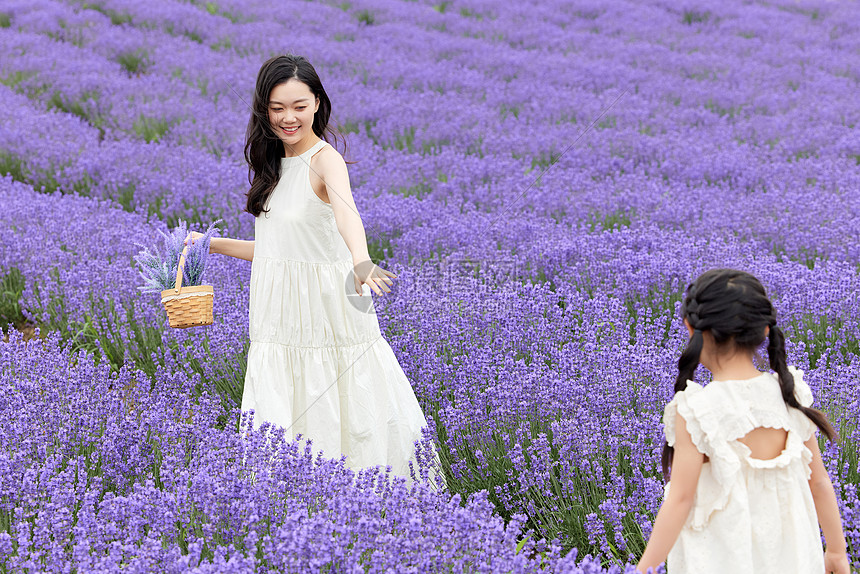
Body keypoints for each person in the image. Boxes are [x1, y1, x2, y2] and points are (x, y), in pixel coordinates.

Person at [188, 54, 435, 481]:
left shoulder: (325, 161)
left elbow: (346, 214)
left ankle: (364, 502)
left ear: (318, 104)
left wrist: (361, 260)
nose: (288, 118)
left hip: (325, 312)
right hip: (280, 316)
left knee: (342, 402)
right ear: (264, 110)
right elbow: (277, 250)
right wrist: (211, 245)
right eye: (278, 107)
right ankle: (294, 501)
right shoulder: (273, 167)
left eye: (299, 106)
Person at [636, 269, 850, 574]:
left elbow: (680, 500)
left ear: (690, 328)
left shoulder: (698, 410)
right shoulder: (790, 394)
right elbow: (818, 482)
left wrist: (643, 569)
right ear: (764, 331)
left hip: (723, 557)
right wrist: (837, 551)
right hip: (793, 558)